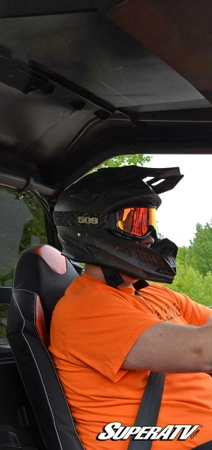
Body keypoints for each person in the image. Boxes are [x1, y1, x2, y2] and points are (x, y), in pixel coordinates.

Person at [49, 166, 212, 449]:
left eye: (149, 222)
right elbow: (204, 352)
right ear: (91, 228)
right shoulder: (85, 310)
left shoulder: (155, 293)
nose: (149, 237)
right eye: (135, 223)